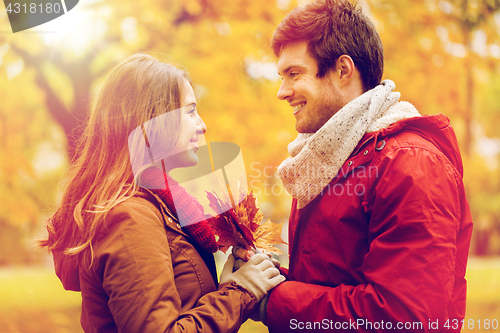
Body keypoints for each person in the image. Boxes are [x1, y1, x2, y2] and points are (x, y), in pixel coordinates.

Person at [235, 0, 473, 332]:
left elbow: (404, 319)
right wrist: (269, 278)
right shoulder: (326, 160)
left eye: (294, 74)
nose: (282, 92)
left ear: (343, 70)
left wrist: (277, 301)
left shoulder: (411, 166)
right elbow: (334, 281)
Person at [40, 53, 285, 333]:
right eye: (190, 111)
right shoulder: (130, 218)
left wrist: (229, 286)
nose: (202, 125)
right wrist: (240, 293)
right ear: (152, 119)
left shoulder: (160, 206)